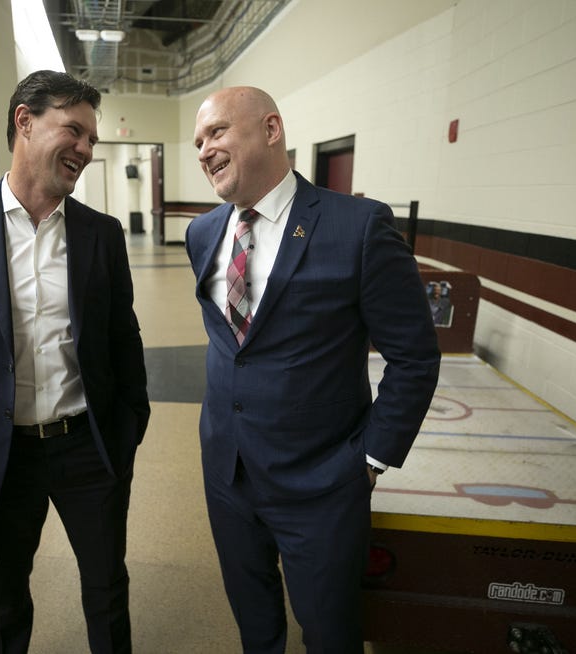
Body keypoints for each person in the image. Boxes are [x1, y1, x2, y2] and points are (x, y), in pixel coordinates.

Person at [185, 86, 440, 653]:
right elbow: (234, 346)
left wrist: (370, 459)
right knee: (254, 623)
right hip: (227, 472)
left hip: (322, 483)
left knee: (329, 633)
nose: (204, 150)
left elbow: (415, 357)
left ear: (271, 129)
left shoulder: (359, 228)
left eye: (218, 132)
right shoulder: (203, 234)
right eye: (198, 140)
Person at [0, 70, 150, 654]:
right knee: (2, 590)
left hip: (87, 446)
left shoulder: (101, 234)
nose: (87, 150)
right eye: (75, 131)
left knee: (107, 587)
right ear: (24, 121)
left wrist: (127, 430)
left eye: (92, 139)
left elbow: (124, 338)